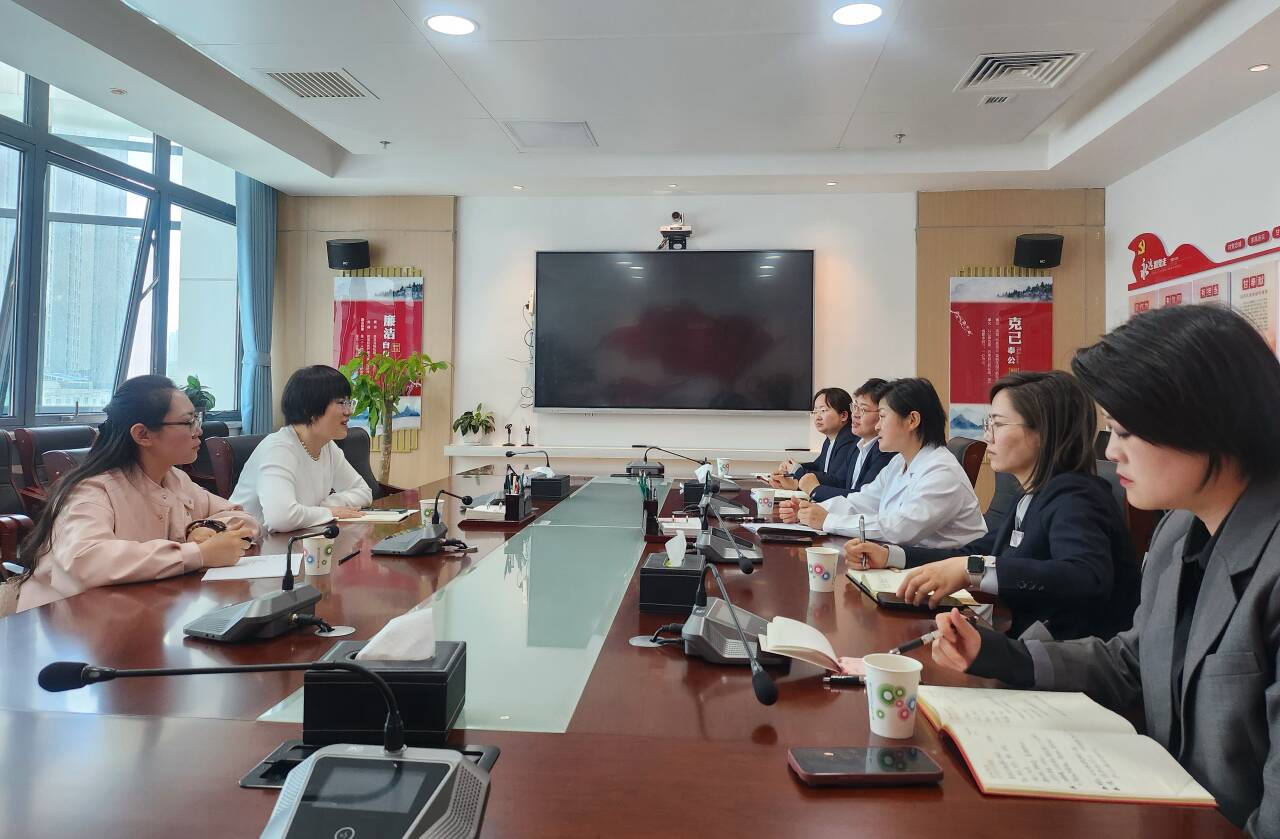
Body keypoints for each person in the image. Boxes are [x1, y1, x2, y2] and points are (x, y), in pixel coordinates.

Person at [929, 306, 1280, 835]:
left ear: (1207, 421)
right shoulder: (1177, 531)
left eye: (1124, 431)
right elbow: (1134, 663)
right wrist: (998, 655)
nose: (1111, 452)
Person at [845, 370, 1140, 640]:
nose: (987, 436)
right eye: (988, 424)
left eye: (997, 424)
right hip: (1024, 648)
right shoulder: (1033, 495)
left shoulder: (1076, 496)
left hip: (1067, 663)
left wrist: (973, 569)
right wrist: (891, 555)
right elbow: (974, 553)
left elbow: (1085, 577)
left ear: (1044, 431)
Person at [14, 375, 258, 612]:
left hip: (137, 612)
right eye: (188, 422)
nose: (199, 431)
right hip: (64, 623)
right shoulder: (91, 490)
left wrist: (205, 528)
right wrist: (199, 554)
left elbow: (243, 518)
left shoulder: (175, 479)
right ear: (142, 434)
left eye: (197, 420)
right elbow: (86, 561)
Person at [781, 377, 985, 548]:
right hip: (910, 560)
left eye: (883, 417)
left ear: (912, 420)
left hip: (948, 571)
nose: (877, 426)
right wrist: (810, 511)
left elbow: (899, 529)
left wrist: (827, 520)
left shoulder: (941, 471)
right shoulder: (899, 462)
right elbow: (862, 501)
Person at [231, 365, 372, 533]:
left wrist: (329, 504)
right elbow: (280, 518)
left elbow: (364, 492)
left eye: (349, 403)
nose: (349, 411)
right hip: (250, 544)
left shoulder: (326, 446)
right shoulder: (279, 449)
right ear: (309, 409)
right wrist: (329, 512)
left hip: (294, 539)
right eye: (342, 403)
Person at [803, 378, 896, 502]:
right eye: (855, 407)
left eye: (863, 409)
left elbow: (863, 499)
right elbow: (839, 482)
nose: (855, 414)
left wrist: (815, 490)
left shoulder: (886, 451)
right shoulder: (857, 446)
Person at [769, 388, 856, 493]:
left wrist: (797, 471)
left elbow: (836, 481)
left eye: (823, 411)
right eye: (815, 412)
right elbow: (818, 466)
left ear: (843, 416)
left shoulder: (849, 440)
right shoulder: (830, 439)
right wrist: (791, 469)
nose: (817, 417)